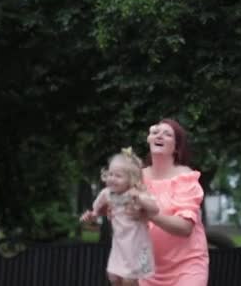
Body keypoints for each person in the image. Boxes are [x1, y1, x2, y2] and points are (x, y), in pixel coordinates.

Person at [135, 119, 209, 286]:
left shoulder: (186, 178)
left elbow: (185, 228)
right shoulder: (136, 178)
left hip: (187, 265)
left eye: (167, 134)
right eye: (156, 132)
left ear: (176, 148)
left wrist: (152, 215)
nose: (160, 135)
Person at [80, 148, 159, 286]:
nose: (112, 178)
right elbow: (96, 211)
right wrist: (91, 216)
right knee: (113, 277)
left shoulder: (136, 194)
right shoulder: (106, 194)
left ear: (131, 179)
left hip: (138, 246)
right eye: (110, 174)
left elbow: (155, 209)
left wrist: (140, 200)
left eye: (118, 176)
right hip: (120, 245)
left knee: (129, 280)